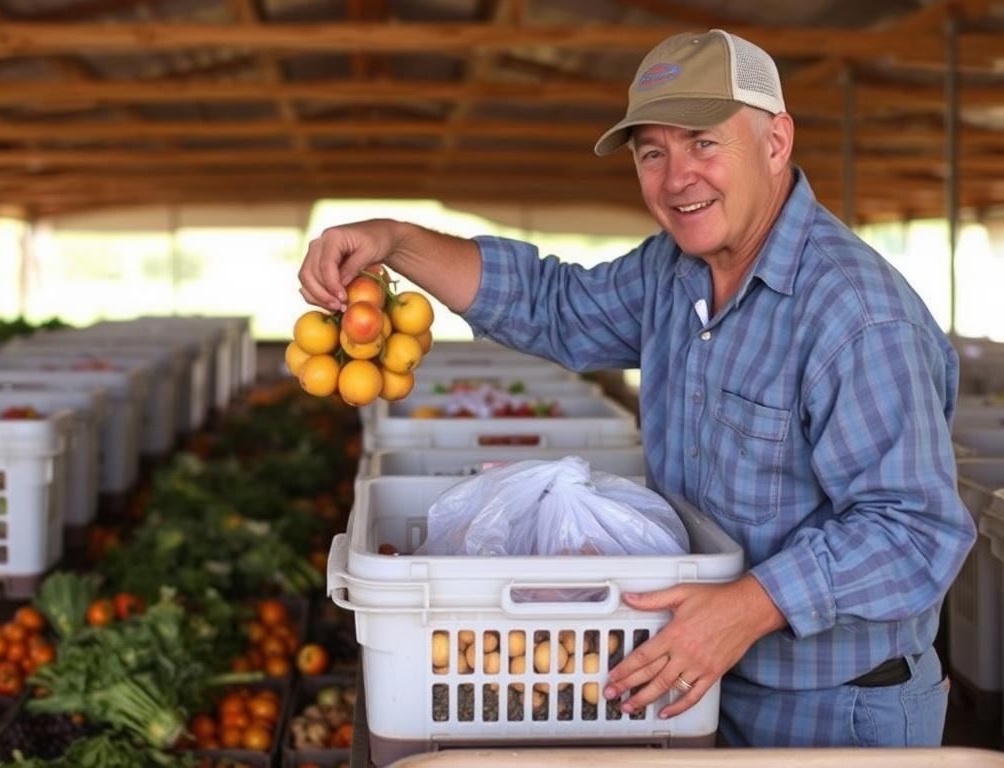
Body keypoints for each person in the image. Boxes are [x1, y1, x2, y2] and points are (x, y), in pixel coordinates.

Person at [298, 29, 976, 747]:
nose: (676, 177)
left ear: (777, 142)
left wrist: (746, 607)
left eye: (702, 143)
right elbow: (553, 306)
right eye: (653, 153)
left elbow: (915, 532)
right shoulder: (673, 272)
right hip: (692, 677)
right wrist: (395, 240)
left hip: (830, 709)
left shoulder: (856, 315)